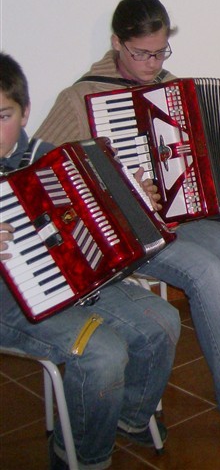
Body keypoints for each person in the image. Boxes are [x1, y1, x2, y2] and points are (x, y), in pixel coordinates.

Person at [33, 0, 220, 453]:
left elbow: (204, 156)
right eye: (142, 53)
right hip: (124, 230)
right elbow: (42, 180)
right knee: (207, 273)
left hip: (180, 218)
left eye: (160, 52)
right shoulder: (79, 98)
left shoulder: (171, 89)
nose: (152, 64)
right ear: (117, 43)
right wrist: (118, 187)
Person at [0, 52, 180, 470]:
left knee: (163, 322)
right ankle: (81, 457)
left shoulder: (49, 158)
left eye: (3, 115)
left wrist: (131, 197)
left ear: (25, 112)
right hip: (9, 302)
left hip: (75, 284)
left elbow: (98, 223)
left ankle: (126, 418)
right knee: (102, 353)